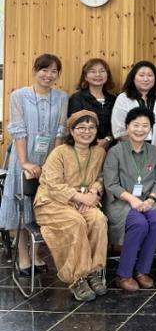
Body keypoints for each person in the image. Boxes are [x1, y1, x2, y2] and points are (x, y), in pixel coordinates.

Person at [0, 53, 68, 274]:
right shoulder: (19, 96)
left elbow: (60, 132)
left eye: (54, 71)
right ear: (35, 71)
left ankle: (36, 253)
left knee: (42, 207)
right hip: (24, 158)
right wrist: (25, 162)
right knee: (22, 206)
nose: (48, 75)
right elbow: (18, 130)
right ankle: (23, 256)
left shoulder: (62, 97)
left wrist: (53, 164)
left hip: (50, 161)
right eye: (44, 70)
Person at [34, 110, 108, 302]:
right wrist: (78, 198)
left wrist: (94, 192)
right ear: (72, 131)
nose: (87, 131)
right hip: (52, 203)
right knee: (76, 221)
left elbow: (101, 177)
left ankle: (92, 272)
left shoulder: (99, 152)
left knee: (98, 219)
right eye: (81, 127)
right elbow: (52, 184)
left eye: (91, 127)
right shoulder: (59, 152)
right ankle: (77, 279)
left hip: (85, 201)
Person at [103, 107, 156, 291]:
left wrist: (151, 199)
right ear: (127, 126)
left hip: (149, 200)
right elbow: (111, 183)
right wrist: (132, 199)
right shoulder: (115, 152)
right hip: (122, 202)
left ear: (151, 129)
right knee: (139, 224)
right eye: (136, 125)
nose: (140, 129)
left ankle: (142, 271)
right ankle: (124, 274)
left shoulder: (154, 152)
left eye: (145, 126)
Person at [111, 61, 156, 153]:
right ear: (133, 78)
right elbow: (119, 129)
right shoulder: (123, 98)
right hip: (130, 152)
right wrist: (137, 152)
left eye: (150, 75)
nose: (146, 79)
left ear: (155, 78)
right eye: (141, 75)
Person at [68, 58, 117, 148]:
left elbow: (117, 124)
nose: (98, 74)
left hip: (110, 147)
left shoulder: (114, 99)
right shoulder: (77, 98)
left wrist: (107, 140)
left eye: (102, 71)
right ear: (85, 77)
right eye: (93, 71)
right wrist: (94, 142)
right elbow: (75, 124)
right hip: (84, 147)